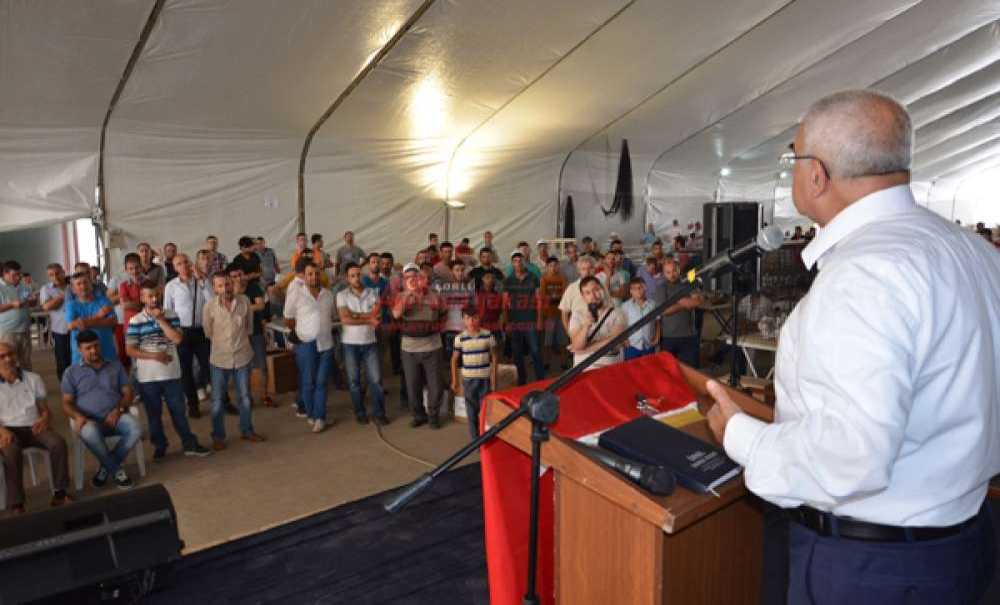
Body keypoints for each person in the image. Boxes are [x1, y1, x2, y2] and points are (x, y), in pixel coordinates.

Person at [706, 90, 1000, 604]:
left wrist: (740, 435)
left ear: (817, 175)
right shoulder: (970, 250)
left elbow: (851, 456)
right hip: (960, 538)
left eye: (793, 157)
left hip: (876, 567)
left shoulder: (867, 273)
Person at [125, 281, 211, 460]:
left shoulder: (171, 315)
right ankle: (160, 446)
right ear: (142, 298)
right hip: (148, 378)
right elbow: (130, 350)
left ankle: (189, 443)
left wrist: (160, 320)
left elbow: (177, 339)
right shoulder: (136, 321)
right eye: (150, 296)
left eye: (157, 295)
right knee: (154, 416)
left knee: (178, 412)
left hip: (172, 375)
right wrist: (154, 356)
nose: (154, 299)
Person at [61, 330, 140, 489]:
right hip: (88, 420)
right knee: (89, 431)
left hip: (115, 415)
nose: (94, 351)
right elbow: (66, 403)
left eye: (96, 346)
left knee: (135, 428)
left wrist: (118, 409)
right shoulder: (71, 372)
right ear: (79, 350)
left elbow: (128, 393)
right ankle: (116, 470)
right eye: (88, 348)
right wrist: (78, 416)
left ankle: (106, 468)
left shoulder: (115, 366)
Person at [0, 340, 71, 513]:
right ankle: (17, 503)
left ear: (16, 356)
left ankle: (60, 494)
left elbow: (45, 409)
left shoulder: (33, 378)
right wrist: (2, 431)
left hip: (34, 427)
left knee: (58, 443)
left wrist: (45, 418)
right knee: (11, 452)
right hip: (8, 430)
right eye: (2, 356)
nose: (8, 359)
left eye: (11, 354)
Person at [202, 272, 266, 448]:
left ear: (233, 284)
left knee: (245, 397)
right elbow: (208, 332)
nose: (225, 289)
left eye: (228, 284)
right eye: (220, 286)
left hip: (242, 357)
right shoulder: (209, 307)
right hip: (219, 360)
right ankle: (218, 437)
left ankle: (247, 431)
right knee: (216, 401)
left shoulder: (244, 301)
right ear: (214, 288)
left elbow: (249, 328)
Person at [392, 263, 446, 429]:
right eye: (409, 278)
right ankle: (418, 415)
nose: (414, 280)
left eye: (416, 277)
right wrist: (409, 294)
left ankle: (433, 415)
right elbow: (396, 314)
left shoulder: (435, 295)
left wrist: (438, 327)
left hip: (432, 346)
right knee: (412, 386)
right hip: (410, 348)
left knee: (435, 386)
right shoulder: (401, 296)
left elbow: (444, 312)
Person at [284, 262, 336, 433]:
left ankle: (320, 417)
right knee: (308, 382)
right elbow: (288, 319)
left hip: (326, 343)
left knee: (321, 382)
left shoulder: (328, 295)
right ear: (304, 276)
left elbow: (332, 316)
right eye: (310, 274)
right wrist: (301, 332)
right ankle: (312, 414)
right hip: (306, 344)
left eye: (316, 273)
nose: (314, 277)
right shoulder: (296, 294)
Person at [163, 253, 214, 417]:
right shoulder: (171, 286)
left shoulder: (202, 282)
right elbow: (167, 310)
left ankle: (222, 401)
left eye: (186, 262)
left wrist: (202, 281)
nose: (184, 266)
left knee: (210, 367)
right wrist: (172, 333)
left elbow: (212, 301)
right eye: (179, 264)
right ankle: (193, 405)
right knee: (186, 371)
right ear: (175, 268)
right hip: (182, 332)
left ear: (191, 263)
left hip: (201, 331)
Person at [337, 262, 387, 425]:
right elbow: (345, 319)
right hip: (350, 343)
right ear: (347, 278)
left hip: (370, 342)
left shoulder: (373, 293)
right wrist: (367, 318)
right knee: (354, 381)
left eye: (358, 275)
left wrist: (355, 315)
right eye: (352, 275)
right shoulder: (341, 295)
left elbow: (377, 317)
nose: (356, 278)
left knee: (376, 380)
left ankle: (379, 413)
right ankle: (360, 412)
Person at [228, 265, 272, 407]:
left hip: (256, 331)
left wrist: (241, 309)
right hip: (238, 335)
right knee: (242, 368)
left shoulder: (253, 287)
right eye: (234, 276)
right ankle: (247, 398)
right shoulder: (228, 291)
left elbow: (261, 306)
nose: (238, 278)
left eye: (240, 275)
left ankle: (265, 395)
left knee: (262, 366)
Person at [450, 307, 496, 440]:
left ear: (479, 318)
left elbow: (495, 357)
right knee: (471, 412)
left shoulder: (488, 335)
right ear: (463, 320)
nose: (471, 321)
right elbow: (454, 360)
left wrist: (494, 381)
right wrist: (455, 381)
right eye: (467, 318)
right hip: (469, 380)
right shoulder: (460, 338)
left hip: (484, 379)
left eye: (474, 318)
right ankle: (475, 441)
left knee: (485, 411)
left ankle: (485, 437)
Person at [567, 276, 626, 370]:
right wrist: (586, 327)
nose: (593, 296)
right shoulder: (577, 315)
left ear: (603, 290)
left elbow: (615, 340)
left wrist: (586, 349)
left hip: (612, 368)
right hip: (585, 370)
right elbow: (577, 345)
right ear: (583, 297)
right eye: (587, 293)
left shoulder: (617, 313)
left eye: (596, 290)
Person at [503, 252, 544, 385]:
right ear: (512, 264)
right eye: (515, 261)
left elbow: (539, 300)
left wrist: (539, 320)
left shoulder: (533, 278)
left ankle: (541, 379)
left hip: (531, 319)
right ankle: (522, 380)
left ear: (523, 262)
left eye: (520, 261)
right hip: (515, 321)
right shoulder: (508, 281)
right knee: (517, 352)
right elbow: (505, 303)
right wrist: (507, 322)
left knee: (535, 350)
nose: (518, 263)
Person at [65, 271, 117, 366]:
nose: (83, 286)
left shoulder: (104, 300)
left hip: (106, 351)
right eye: (79, 284)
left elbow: (112, 321)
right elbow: (71, 326)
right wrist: (99, 316)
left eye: (85, 282)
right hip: (81, 357)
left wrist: (85, 322)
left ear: (91, 285)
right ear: (73, 289)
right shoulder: (71, 305)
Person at [659, 258, 702, 367]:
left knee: (689, 371)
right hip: (668, 337)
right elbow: (664, 311)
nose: (671, 274)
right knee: (669, 371)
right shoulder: (661, 288)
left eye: (674, 271)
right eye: (668, 272)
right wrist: (684, 303)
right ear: (664, 274)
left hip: (689, 335)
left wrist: (674, 302)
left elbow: (697, 301)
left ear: (679, 270)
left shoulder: (689, 282)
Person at [0, 261, 36, 370]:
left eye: (18, 274)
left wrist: (33, 300)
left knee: (26, 362)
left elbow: (32, 303)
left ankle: (25, 386)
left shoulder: (24, 286)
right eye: (14, 275)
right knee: (9, 363)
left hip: (25, 330)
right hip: (8, 332)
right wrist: (11, 305)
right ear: (5, 274)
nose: (18, 277)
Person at [39, 263, 72, 379]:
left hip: (76, 327)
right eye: (51, 275)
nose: (55, 277)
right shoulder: (46, 289)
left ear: (63, 272)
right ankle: (65, 384)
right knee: (62, 359)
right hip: (60, 330)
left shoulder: (72, 285)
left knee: (77, 358)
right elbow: (47, 307)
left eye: (57, 273)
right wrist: (62, 297)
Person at [620, 277, 658, 360]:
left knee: (649, 368)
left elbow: (657, 322)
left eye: (640, 287)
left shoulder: (652, 304)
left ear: (645, 288)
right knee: (631, 369)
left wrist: (657, 337)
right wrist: (624, 340)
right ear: (630, 291)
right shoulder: (625, 306)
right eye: (634, 289)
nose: (638, 291)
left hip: (648, 344)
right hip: (632, 344)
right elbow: (622, 324)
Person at [539, 257, 567, 367]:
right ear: (547, 267)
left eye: (555, 265)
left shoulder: (562, 278)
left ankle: (564, 362)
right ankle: (546, 362)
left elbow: (564, 296)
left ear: (558, 266)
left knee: (563, 340)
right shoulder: (544, 279)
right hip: (549, 315)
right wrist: (554, 297)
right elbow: (543, 297)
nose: (553, 267)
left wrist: (553, 297)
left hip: (561, 314)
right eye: (551, 265)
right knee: (547, 341)